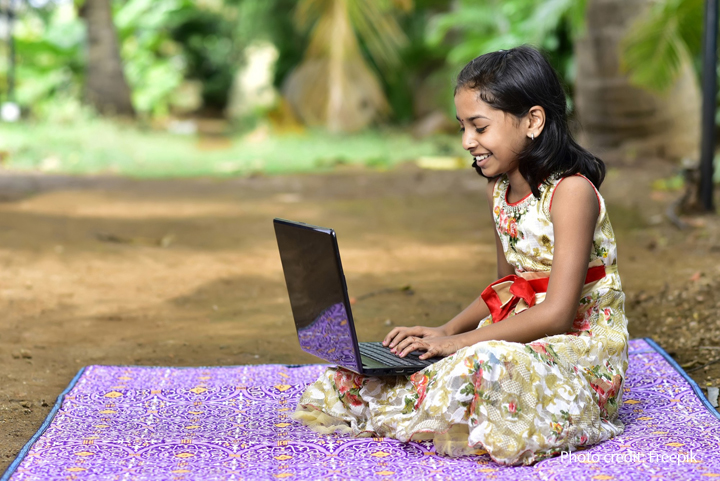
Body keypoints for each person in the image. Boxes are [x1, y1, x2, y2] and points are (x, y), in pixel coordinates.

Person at [292, 45, 629, 466]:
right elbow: (506, 287)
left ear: (533, 121)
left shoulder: (571, 192)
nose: (468, 141)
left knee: (482, 361)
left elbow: (559, 314)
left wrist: (459, 342)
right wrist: (442, 331)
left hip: (581, 345)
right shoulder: (499, 191)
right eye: (462, 127)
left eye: (480, 127)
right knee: (362, 374)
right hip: (519, 332)